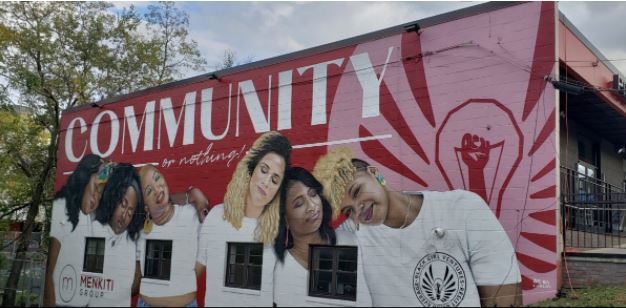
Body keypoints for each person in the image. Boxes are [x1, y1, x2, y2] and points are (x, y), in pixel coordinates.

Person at [312, 147, 523, 307]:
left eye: (357, 191)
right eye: (348, 211)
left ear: (376, 174)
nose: (359, 210)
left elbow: (506, 295)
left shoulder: (463, 208)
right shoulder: (351, 237)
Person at [197, 131, 291, 307]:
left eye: (275, 179)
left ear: (278, 190)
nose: (266, 182)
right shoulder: (218, 216)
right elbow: (193, 272)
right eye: (264, 170)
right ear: (251, 169)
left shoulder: (278, 230)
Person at [273, 167, 371, 307]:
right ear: (286, 220)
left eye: (313, 194)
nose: (312, 206)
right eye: (299, 203)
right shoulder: (280, 271)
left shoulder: (350, 241)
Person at [44, 154, 113, 307]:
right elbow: (50, 271)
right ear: (83, 180)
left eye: (101, 193)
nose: (97, 196)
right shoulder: (64, 207)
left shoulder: (86, 217)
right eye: (96, 187)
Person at [136, 165, 203, 307]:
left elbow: (207, 250)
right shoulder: (140, 230)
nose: (157, 188)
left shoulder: (189, 213)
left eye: (157, 178)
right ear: (145, 206)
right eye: (148, 190)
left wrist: (184, 281)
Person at [87, 163, 146, 307]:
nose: (125, 215)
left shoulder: (133, 239)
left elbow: (136, 282)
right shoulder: (94, 228)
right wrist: (106, 169)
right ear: (113, 199)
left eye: (131, 211)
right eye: (123, 204)